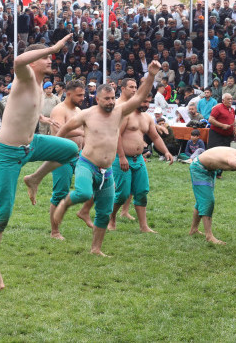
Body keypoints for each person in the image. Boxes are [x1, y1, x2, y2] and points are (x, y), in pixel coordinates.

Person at [0, 34, 80, 289]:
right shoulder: (25, 77)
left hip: (32, 145)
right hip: (7, 152)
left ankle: (34, 177)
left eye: (51, 56)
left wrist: (44, 119)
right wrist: (54, 46)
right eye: (46, 57)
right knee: (3, 210)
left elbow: (25, 109)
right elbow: (18, 60)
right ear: (35, 61)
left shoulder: (41, 87)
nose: (51, 60)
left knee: (71, 149)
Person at [48, 62, 160, 257]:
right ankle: (65, 204)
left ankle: (96, 249)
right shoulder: (86, 115)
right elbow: (64, 129)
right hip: (87, 164)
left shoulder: (119, 112)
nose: (110, 102)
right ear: (97, 99)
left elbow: (141, 96)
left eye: (112, 98)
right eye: (106, 98)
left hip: (107, 171)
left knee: (104, 213)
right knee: (83, 192)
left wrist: (150, 75)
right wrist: (56, 146)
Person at [108, 92, 175, 233]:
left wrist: (166, 152)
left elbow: (155, 137)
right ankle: (111, 217)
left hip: (138, 159)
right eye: (143, 101)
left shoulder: (147, 118)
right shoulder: (126, 115)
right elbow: (116, 135)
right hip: (122, 158)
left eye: (148, 102)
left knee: (142, 191)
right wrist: (121, 156)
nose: (145, 104)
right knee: (122, 194)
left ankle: (143, 226)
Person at [188, 147, 236, 244]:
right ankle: (209, 236)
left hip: (210, 170)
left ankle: (193, 230)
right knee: (207, 201)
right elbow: (235, 164)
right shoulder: (234, 159)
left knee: (202, 199)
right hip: (199, 168)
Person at [46, 80, 86, 240]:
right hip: (61, 156)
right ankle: (54, 231)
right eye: (80, 95)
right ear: (69, 94)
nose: (83, 97)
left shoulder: (78, 110)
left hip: (79, 155)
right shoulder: (59, 110)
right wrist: (81, 134)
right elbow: (58, 132)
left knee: (94, 184)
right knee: (60, 193)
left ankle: (84, 212)